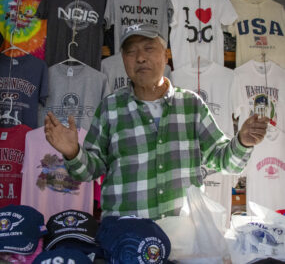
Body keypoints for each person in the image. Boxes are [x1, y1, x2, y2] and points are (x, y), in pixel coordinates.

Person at [44, 23, 269, 221]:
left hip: (182, 234)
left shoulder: (191, 104)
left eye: (149, 48)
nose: (140, 58)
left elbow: (225, 161)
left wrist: (243, 141)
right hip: (126, 235)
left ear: (165, 55)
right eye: (130, 52)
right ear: (123, 61)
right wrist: (73, 152)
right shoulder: (110, 108)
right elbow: (89, 171)